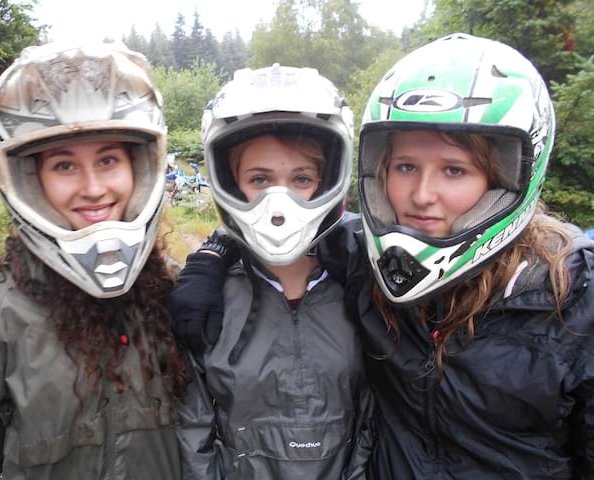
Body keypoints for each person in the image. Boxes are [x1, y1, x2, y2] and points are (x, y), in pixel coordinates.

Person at [172, 34, 594, 479]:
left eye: (455, 170)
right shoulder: (370, 264)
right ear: (379, 174)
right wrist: (215, 252)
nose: (421, 196)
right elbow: (280, 227)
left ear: (504, 183)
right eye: (406, 167)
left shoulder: (573, 304)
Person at [0, 43, 186, 479]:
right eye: (64, 165)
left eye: (108, 159)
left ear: (140, 168)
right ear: (31, 181)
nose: (93, 187)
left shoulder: (176, 295)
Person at [175, 64, 375, 479]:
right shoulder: (210, 300)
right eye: (260, 179)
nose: (278, 201)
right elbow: (194, 430)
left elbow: (377, 418)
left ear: (326, 182)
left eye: (301, 178)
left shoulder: (363, 286)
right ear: (232, 184)